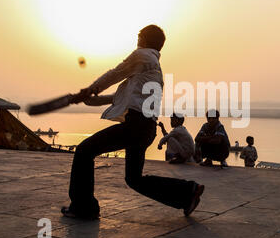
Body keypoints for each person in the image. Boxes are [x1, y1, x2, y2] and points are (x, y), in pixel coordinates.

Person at [61, 25, 204, 220]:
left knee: (85, 151)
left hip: (136, 126)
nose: (137, 40)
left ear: (144, 39)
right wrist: (91, 98)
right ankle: (188, 193)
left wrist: (90, 89)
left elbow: (115, 73)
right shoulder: (151, 66)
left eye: (139, 37)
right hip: (145, 129)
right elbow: (122, 97)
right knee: (134, 179)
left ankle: (83, 208)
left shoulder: (142, 55)